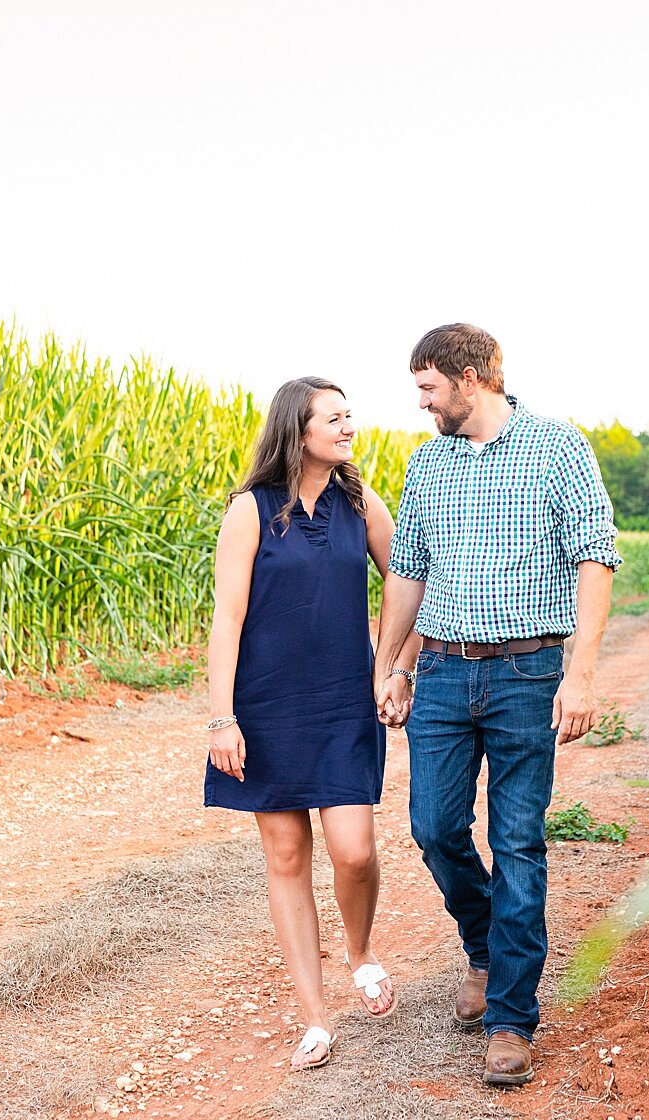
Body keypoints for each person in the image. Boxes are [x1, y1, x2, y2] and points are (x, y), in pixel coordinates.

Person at [371, 323, 621, 1086]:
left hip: (528, 674)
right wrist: (391, 668)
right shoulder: (429, 463)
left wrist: (580, 675)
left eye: (428, 389)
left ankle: (511, 1017)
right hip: (444, 673)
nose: (422, 405)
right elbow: (409, 573)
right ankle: (482, 945)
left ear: (470, 379)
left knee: (517, 842)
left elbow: (595, 556)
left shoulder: (557, 446)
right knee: (434, 827)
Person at [206, 377, 413, 1070]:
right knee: (287, 857)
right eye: (335, 417)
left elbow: (407, 582)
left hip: (343, 701)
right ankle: (315, 1018)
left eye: (350, 415)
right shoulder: (250, 509)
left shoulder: (362, 500)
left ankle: (360, 953)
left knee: (354, 849)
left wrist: (393, 666)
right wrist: (221, 718)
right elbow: (227, 619)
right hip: (265, 706)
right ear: (298, 431)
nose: (349, 426)